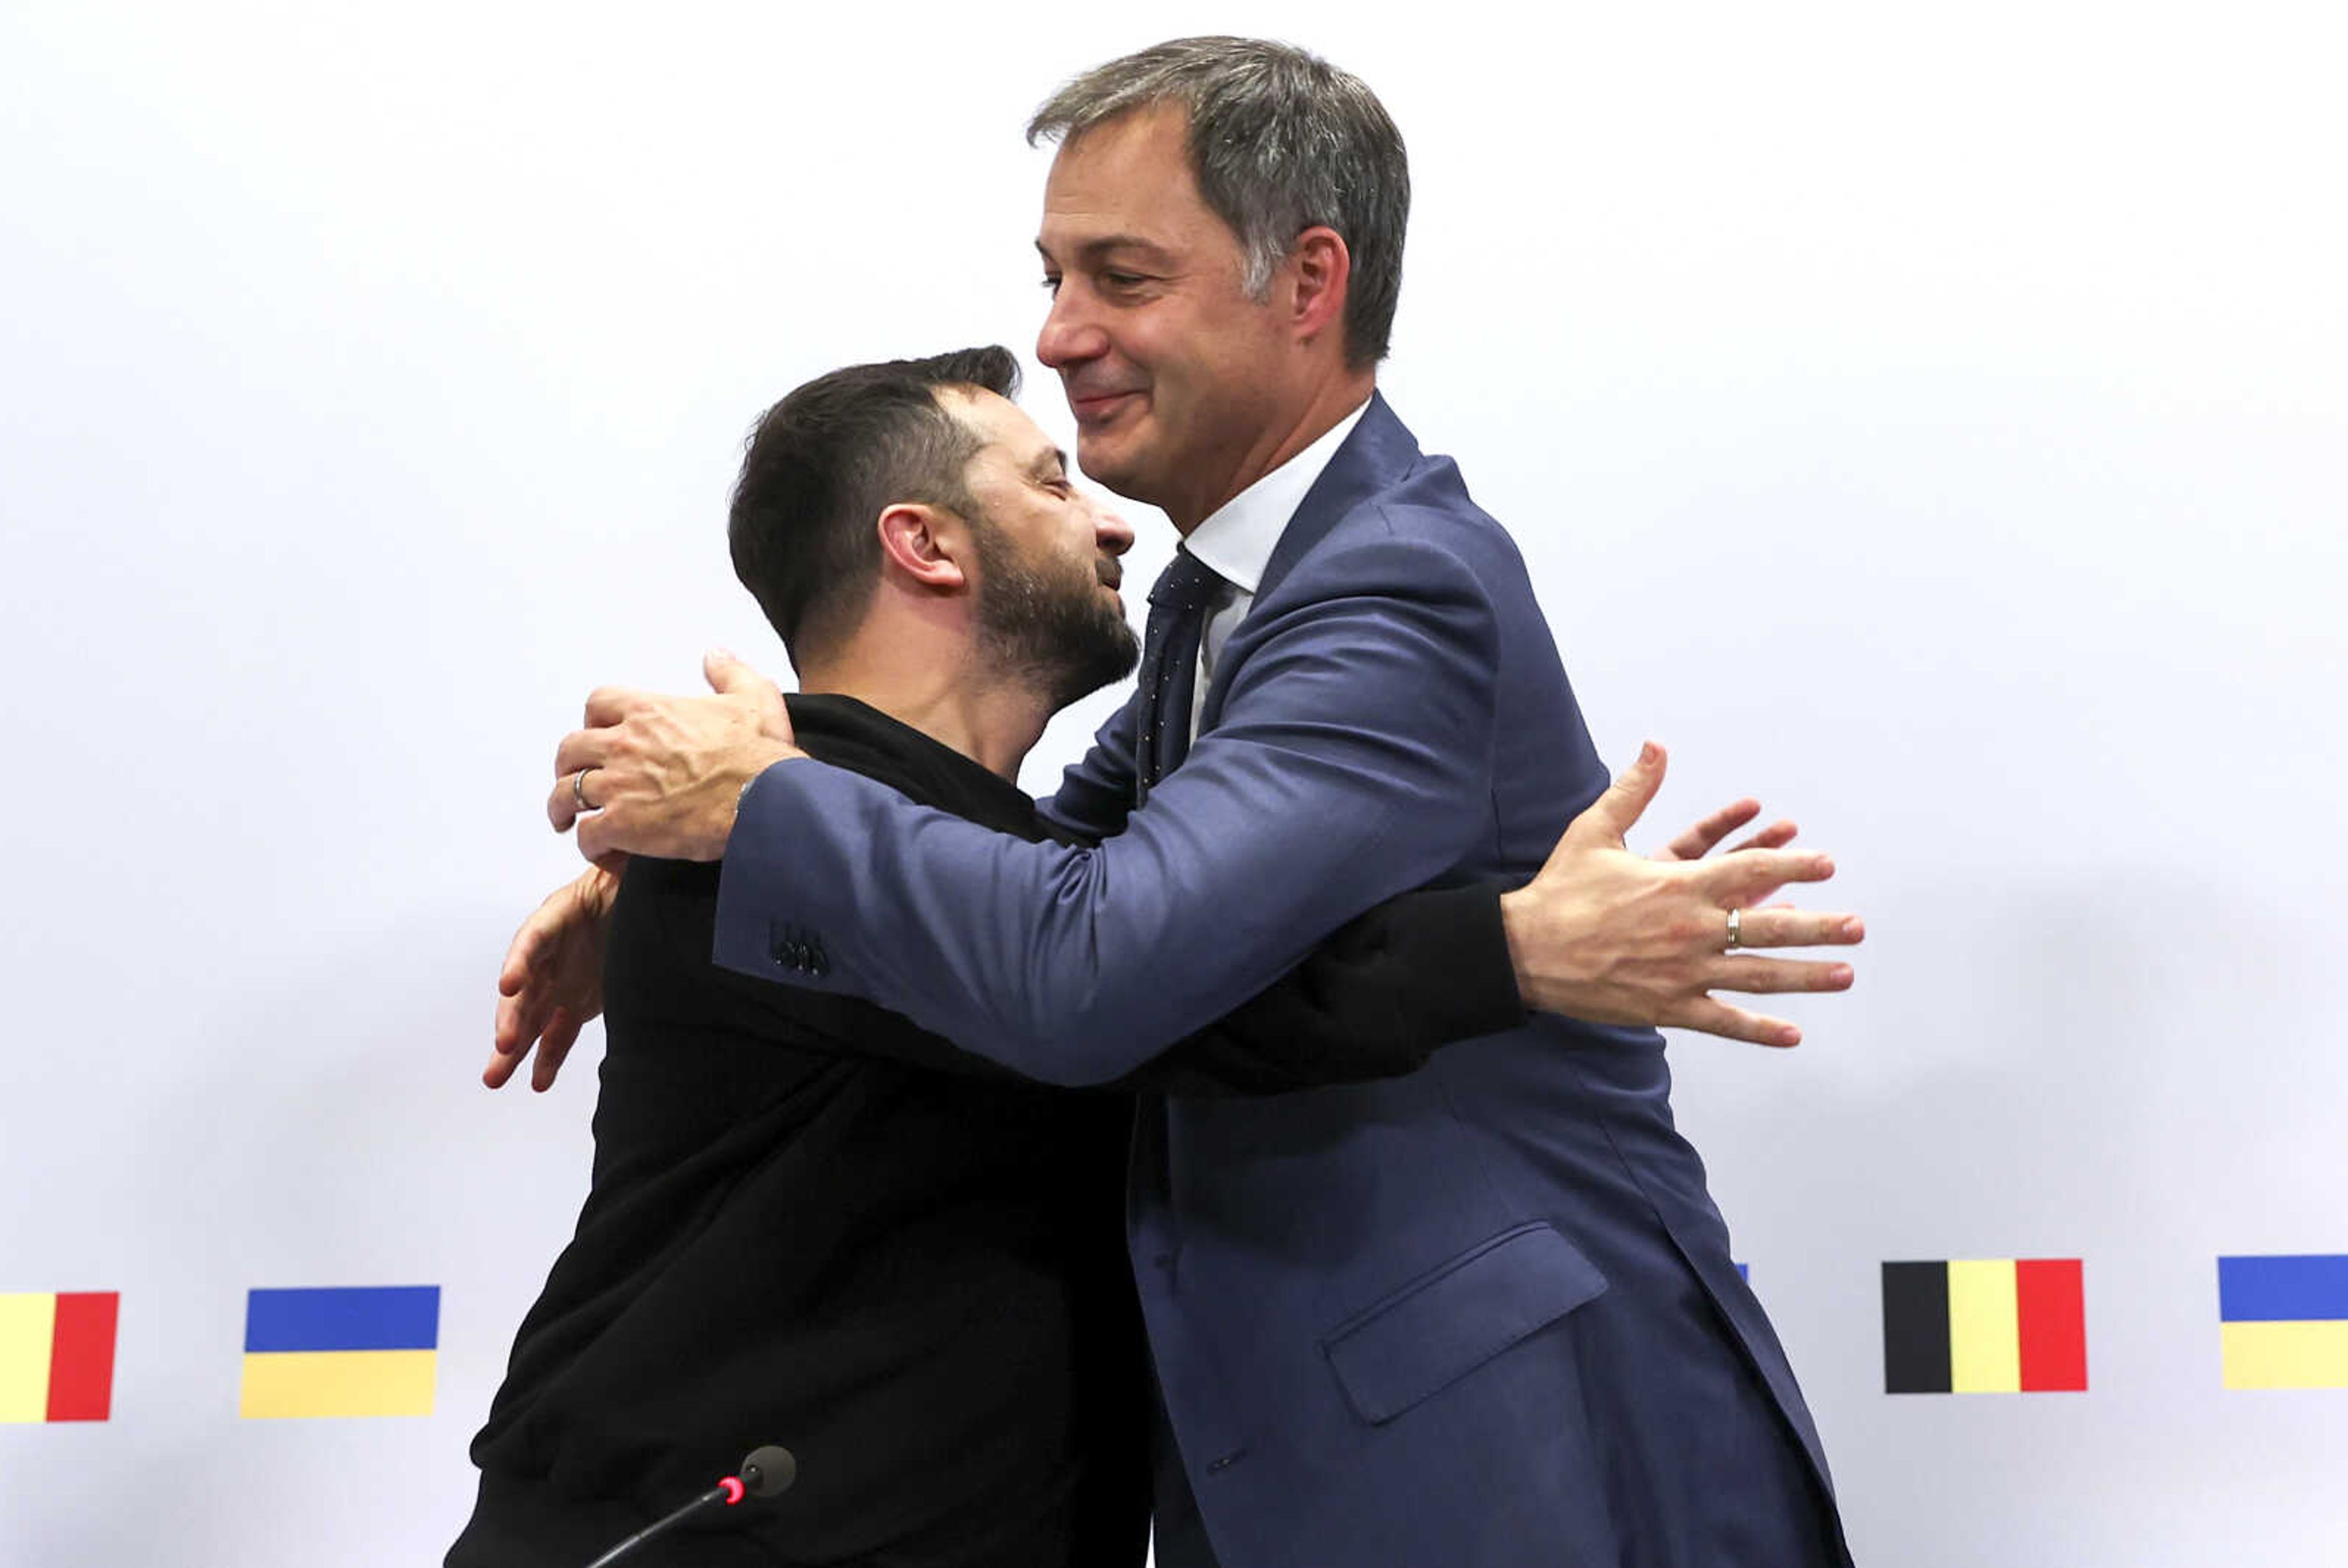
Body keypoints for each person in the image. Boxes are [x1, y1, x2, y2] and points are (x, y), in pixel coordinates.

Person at [528, 39, 1865, 1568]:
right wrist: (687, 849)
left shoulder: (1392, 586)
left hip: (1499, 1453)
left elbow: (1095, 969)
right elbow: (1038, 864)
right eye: (1053, 275)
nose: (1062, 332)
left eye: (1120, 277)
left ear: (1307, 283)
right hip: (1303, 1457)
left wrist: (762, 804)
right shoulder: (1212, 600)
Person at [451, 346, 1593, 1567]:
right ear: (927, 546)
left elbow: (1098, 892)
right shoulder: (770, 835)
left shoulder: (929, 843)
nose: (1113, 528)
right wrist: (1516, 945)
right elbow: (1182, 993)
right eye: (1052, 484)